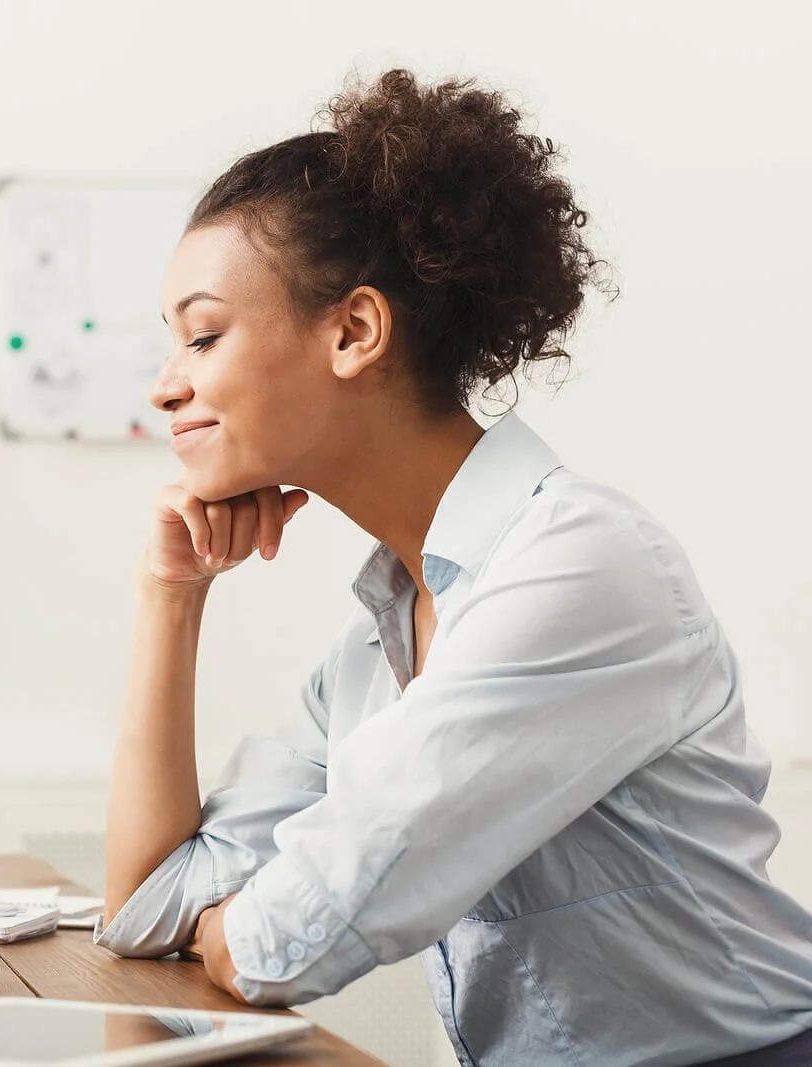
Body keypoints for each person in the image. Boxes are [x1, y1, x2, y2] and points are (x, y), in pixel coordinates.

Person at [96, 68, 812, 1067]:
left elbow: (279, 943)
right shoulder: (378, 636)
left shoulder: (578, 568)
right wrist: (168, 599)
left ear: (354, 331)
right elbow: (140, 905)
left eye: (202, 335)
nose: (166, 385)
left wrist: (232, 925)